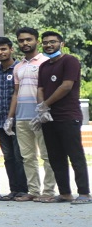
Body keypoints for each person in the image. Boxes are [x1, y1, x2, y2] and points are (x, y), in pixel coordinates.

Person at [36, 31, 90, 204]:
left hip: (67, 116)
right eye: (45, 43)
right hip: (48, 119)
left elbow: (66, 86)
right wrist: (41, 108)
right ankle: (65, 193)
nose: (49, 45)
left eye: (53, 42)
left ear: (62, 43)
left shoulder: (70, 61)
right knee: (55, 157)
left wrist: (46, 104)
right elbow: (40, 89)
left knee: (75, 155)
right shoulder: (44, 66)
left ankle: (84, 193)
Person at [7, 27, 56, 202]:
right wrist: (10, 117)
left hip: (41, 116)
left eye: (28, 39)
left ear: (36, 40)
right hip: (21, 117)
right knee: (27, 157)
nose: (25, 43)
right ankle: (33, 190)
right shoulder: (18, 66)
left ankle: (49, 192)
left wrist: (45, 110)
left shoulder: (46, 62)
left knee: (47, 156)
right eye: (21, 40)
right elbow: (16, 92)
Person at [0, 36, 28, 201]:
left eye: (3, 49)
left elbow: (18, 94)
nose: (0, 52)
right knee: (8, 157)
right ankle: (13, 189)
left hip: (18, 120)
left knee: (20, 156)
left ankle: (24, 189)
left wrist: (11, 118)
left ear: (11, 49)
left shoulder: (19, 68)